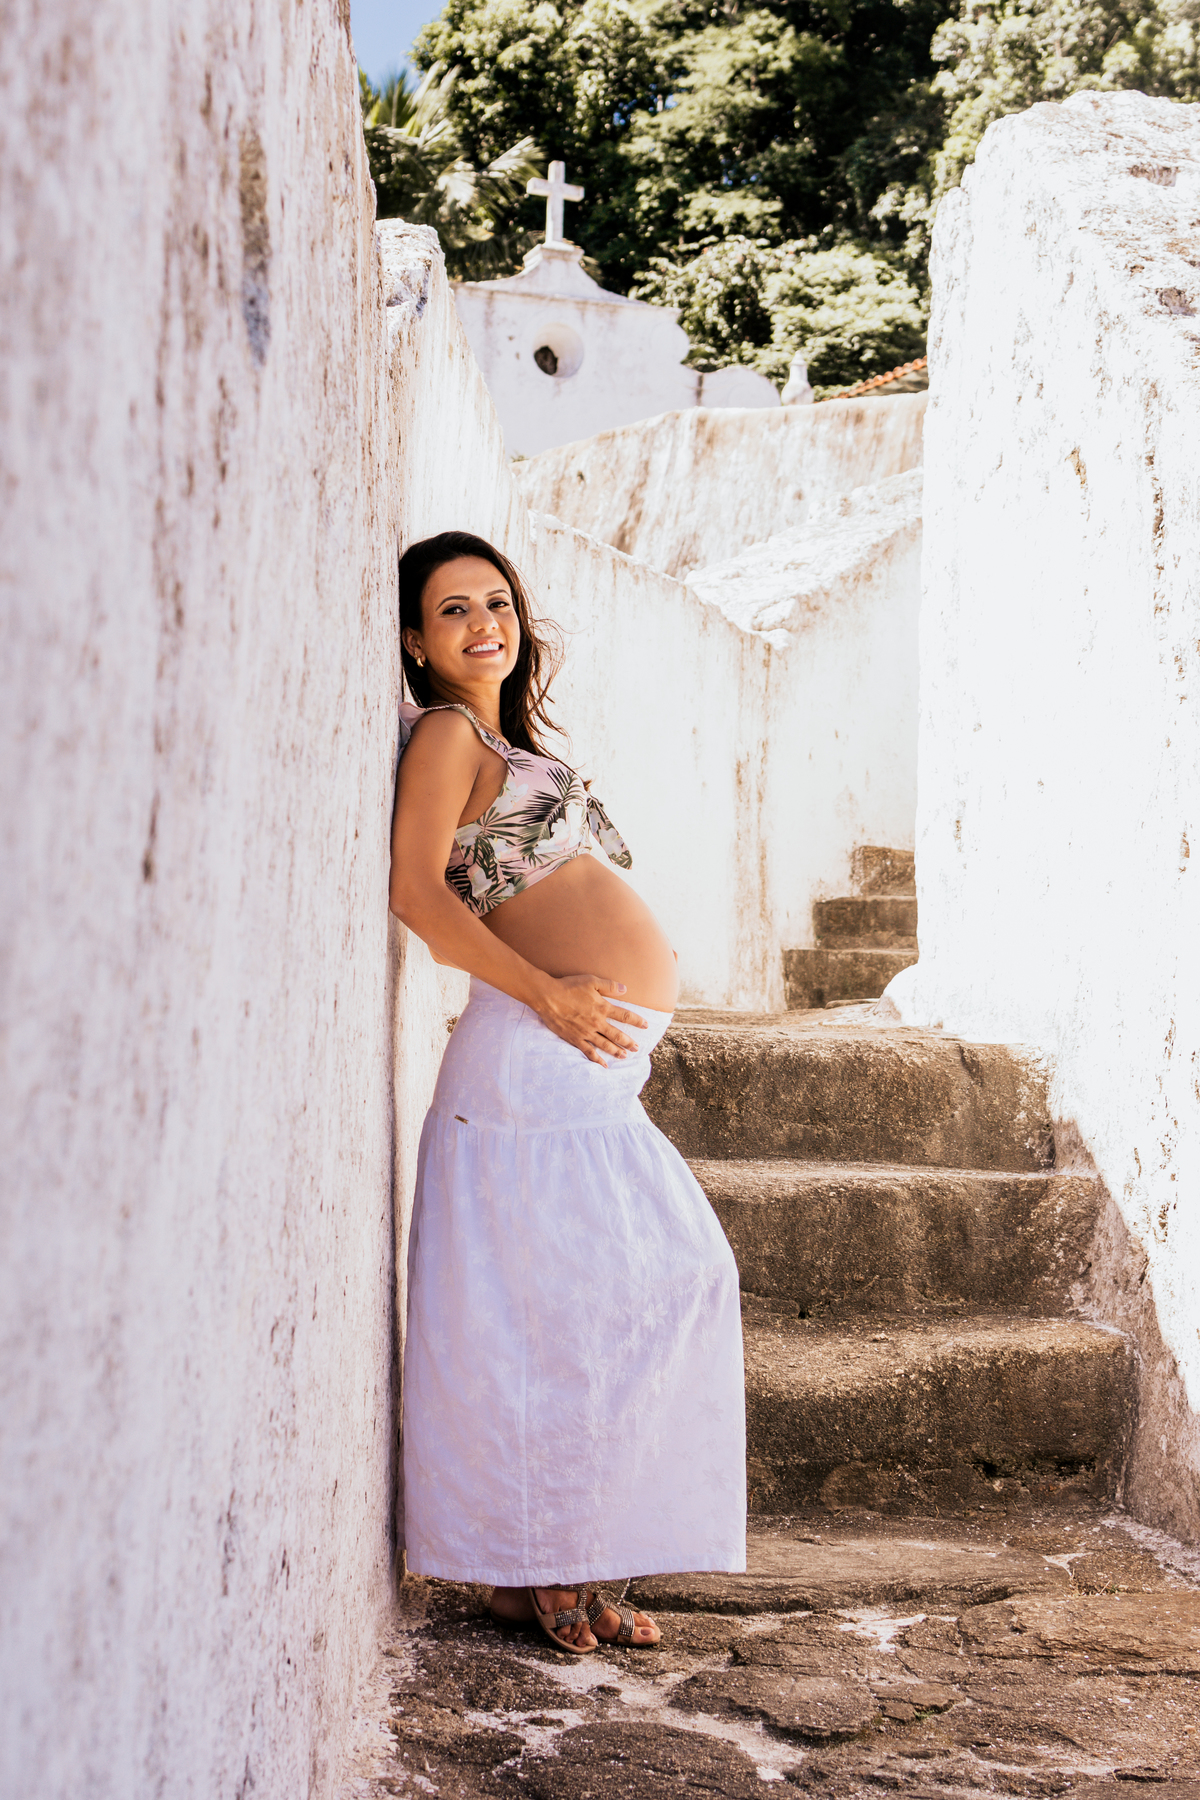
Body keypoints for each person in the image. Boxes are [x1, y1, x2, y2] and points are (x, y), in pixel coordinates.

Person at [389, 530, 745, 1656]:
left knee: (615, 1297)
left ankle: (558, 1563)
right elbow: (417, 895)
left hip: (577, 1067)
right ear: (415, 642)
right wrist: (546, 992)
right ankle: (543, 1564)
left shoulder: (503, 740)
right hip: (532, 1056)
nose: (482, 624)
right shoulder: (446, 734)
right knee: (575, 1308)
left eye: (497, 602)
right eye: (453, 610)